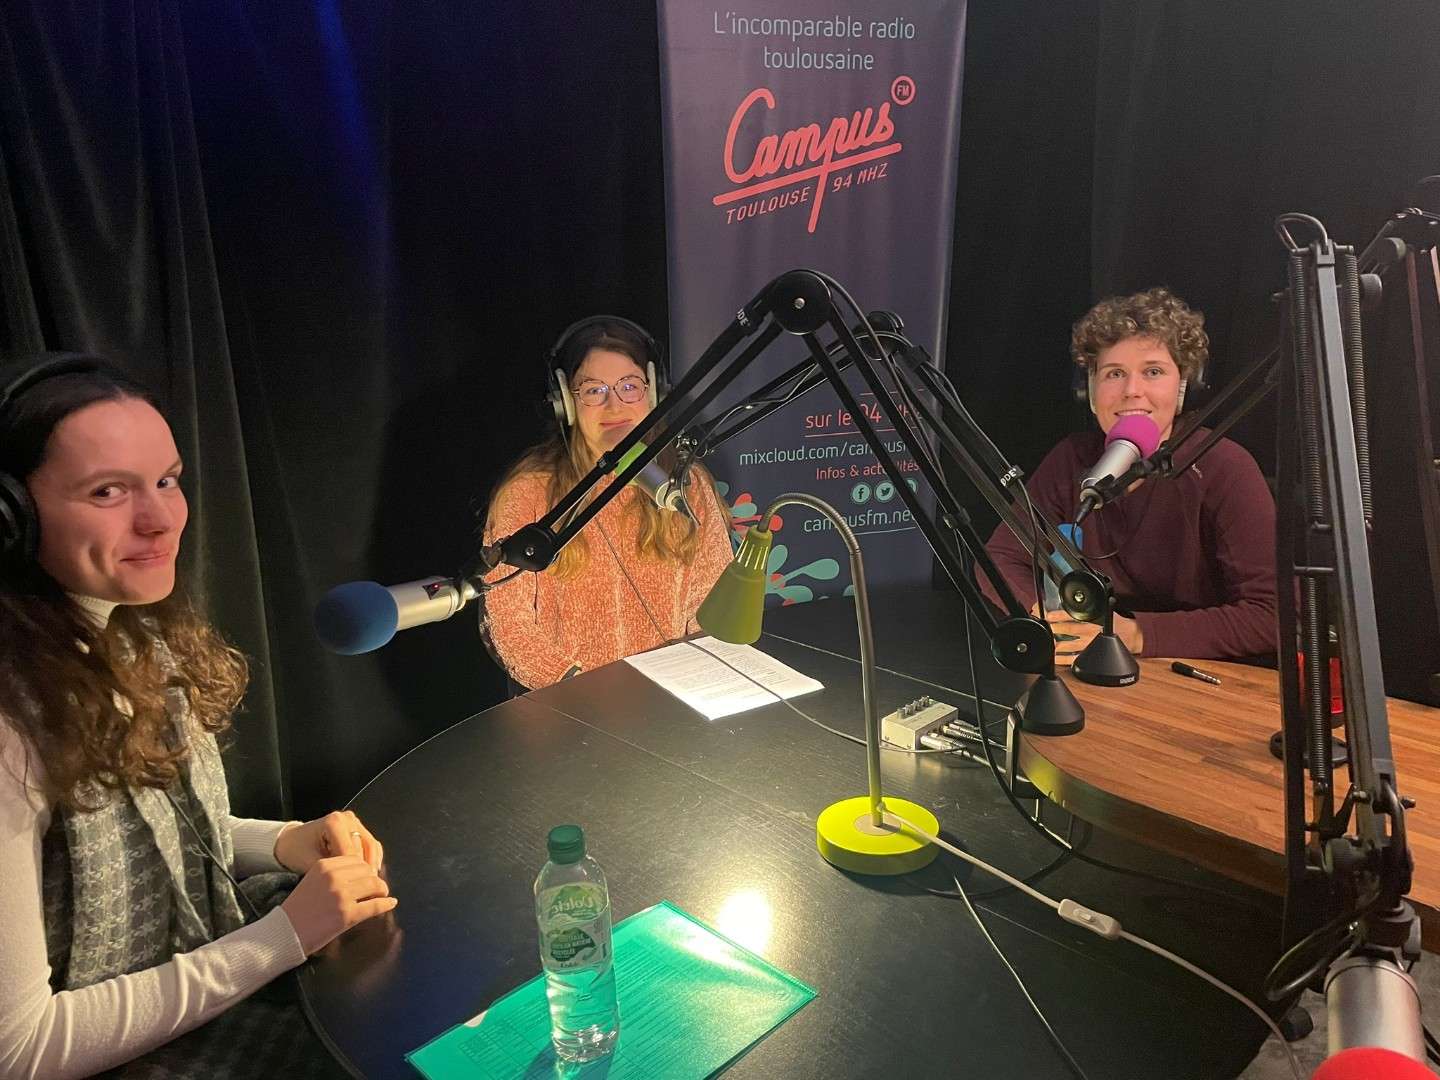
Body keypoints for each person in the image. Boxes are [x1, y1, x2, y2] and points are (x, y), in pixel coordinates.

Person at [0, 356, 396, 1078]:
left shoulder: (131, 632)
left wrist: (286, 842)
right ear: (12, 518)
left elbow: (164, 840)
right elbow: (21, 1048)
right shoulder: (10, 724)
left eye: (166, 480)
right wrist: (281, 938)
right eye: (108, 490)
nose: (159, 520)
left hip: (205, 981)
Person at [984, 288, 1277, 663]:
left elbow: (1272, 615)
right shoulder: (1071, 459)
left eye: (1153, 372)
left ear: (1183, 386)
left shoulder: (1225, 467)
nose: (1132, 391)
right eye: (1114, 374)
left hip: (1197, 673)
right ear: (1090, 391)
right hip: (1092, 664)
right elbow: (1001, 556)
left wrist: (1135, 634)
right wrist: (1046, 618)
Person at [482, 319, 733, 690]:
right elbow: (510, 623)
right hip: (571, 705)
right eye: (594, 389)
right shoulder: (528, 493)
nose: (614, 405)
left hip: (675, 700)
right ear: (566, 403)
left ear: (653, 393)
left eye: (629, 386)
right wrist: (577, 691)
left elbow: (713, 603)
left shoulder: (686, 484)